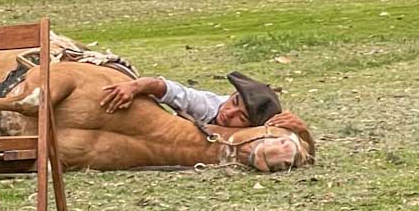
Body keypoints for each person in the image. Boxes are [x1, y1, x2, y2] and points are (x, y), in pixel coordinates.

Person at [99, 69, 309, 136]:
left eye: (242, 117)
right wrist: (133, 87)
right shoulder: (209, 105)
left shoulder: (253, 136)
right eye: (234, 101)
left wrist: (302, 132)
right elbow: (166, 88)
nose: (230, 112)